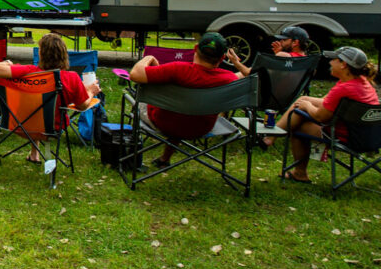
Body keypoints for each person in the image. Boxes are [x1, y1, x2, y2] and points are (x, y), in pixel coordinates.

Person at [128, 32, 243, 168]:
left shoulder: (177, 70)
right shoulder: (229, 79)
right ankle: (164, 159)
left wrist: (148, 57)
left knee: (141, 99)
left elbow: (135, 74)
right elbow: (247, 75)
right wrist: (237, 64)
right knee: (185, 113)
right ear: (222, 57)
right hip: (200, 127)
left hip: (164, 123)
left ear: (195, 48)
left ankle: (130, 158)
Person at [265, 47, 379, 179]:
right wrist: (305, 100)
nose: (330, 63)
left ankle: (298, 170)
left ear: (343, 64)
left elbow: (320, 116)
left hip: (347, 138)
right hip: (369, 137)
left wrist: (307, 106)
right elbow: (328, 102)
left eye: (334, 60)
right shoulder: (361, 82)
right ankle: (270, 137)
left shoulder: (344, 89)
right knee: (302, 101)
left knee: (299, 126)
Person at [0, 33, 100, 163]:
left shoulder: (28, 73)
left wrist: (7, 62)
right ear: (64, 55)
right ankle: (35, 153)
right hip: (51, 129)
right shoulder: (71, 78)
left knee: (36, 103)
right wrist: (91, 92)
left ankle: (34, 154)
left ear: (41, 54)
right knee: (45, 110)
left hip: (18, 125)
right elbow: (82, 105)